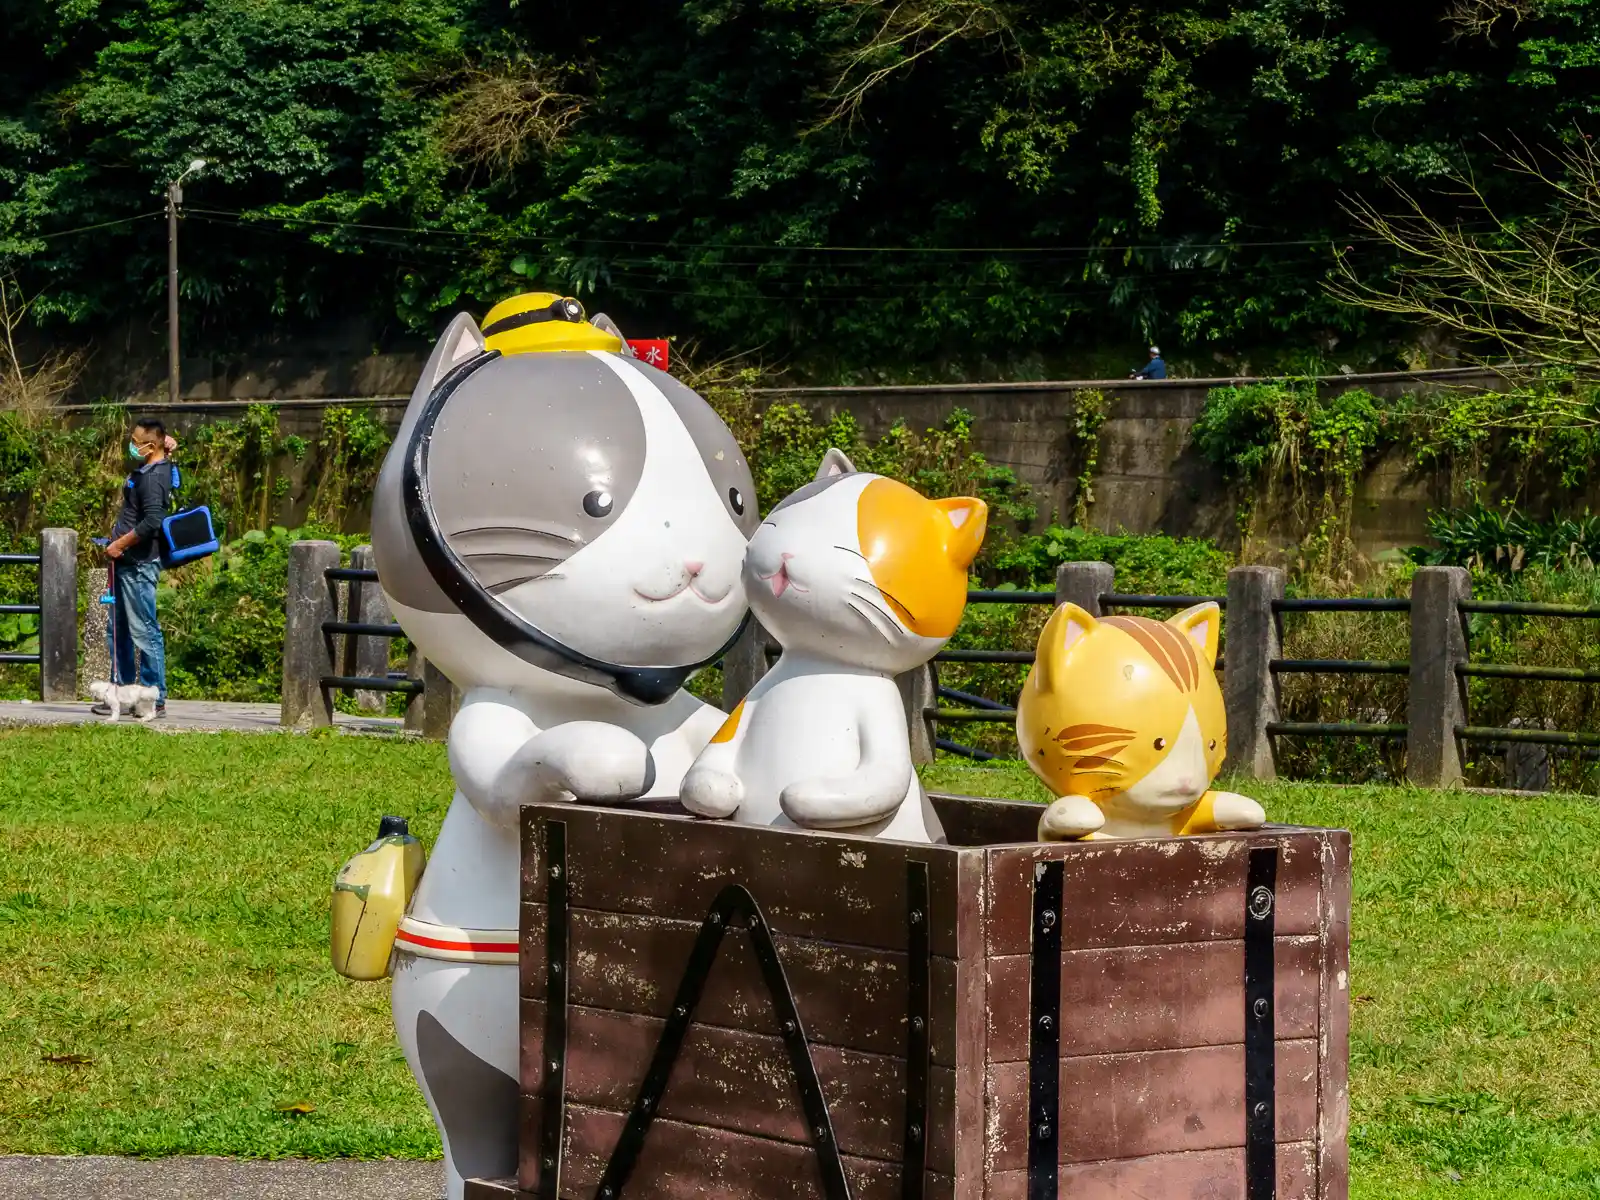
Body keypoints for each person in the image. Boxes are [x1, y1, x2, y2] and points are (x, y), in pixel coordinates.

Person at [93, 419, 177, 718]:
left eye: (135, 440)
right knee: (118, 631)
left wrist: (120, 544)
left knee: (144, 632)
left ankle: (154, 697)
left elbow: (152, 521)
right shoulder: (150, 469)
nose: (131, 444)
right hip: (125, 564)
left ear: (150, 446)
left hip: (139, 564)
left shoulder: (154, 477)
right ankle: (124, 695)